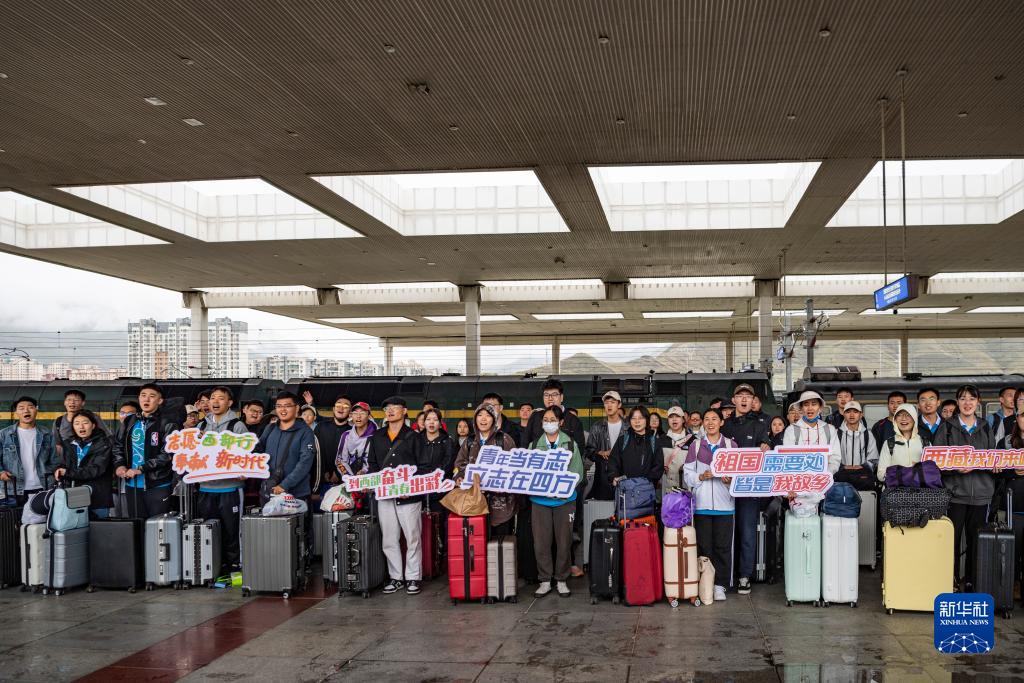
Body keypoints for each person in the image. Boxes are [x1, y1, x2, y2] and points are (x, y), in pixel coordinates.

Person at [933, 385, 996, 591]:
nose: (967, 403)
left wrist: (995, 465)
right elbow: (936, 463)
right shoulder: (946, 428)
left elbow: (992, 457)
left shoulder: (985, 427)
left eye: (972, 399)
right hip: (955, 495)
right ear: (957, 402)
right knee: (950, 542)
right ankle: (949, 581)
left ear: (978, 402)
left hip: (981, 495)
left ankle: (971, 582)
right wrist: (955, 468)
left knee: (976, 542)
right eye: (963, 399)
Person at [367, 396, 424, 595]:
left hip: (409, 496)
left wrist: (411, 488)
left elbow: (422, 466)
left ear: (405, 411)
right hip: (385, 496)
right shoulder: (377, 436)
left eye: (394, 407)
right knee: (389, 538)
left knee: (412, 537)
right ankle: (396, 577)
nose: (390, 411)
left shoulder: (414, 437)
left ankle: (413, 577)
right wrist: (373, 483)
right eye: (387, 408)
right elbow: (372, 464)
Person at [530, 404, 584, 598]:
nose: (549, 423)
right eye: (546, 420)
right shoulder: (534, 445)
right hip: (540, 502)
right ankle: (545, 580)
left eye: (553, 420)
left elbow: (577, 473)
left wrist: (561, 488)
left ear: (561, 422)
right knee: (541, 543)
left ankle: (561, 579)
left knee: (564, 541)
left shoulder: (570, 444)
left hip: (564, 501)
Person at [722, 383, 771, 596]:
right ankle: (726, 575)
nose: (744, 399)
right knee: (726, 533)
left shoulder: (759, 425)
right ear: (733, 400)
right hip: (725, 488)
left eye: (748, 396)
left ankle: (744, 576)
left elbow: (765, 448)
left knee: (747, 533)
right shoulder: (724, 425)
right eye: (740, 396)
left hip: (749, 489)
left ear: (753, 401)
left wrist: (766, 447)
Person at [683, 408, 737, 603]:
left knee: (723, 547)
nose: (711, 422)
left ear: (722, 422)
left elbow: (740, 475)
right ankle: (705, 583)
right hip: (702, 505)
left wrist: (729, 480)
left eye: (715, 419)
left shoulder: (730, 445)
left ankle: (720, 586)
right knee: (704, 547)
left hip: (725, 506)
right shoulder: (696, 446)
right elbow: (687, 474)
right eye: (707, 419)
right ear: (702, 423)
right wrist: (700, 476)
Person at [196, 386, 248, 572]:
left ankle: (234, 570)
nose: (215, 402)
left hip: (230, 488)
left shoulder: (237, 426)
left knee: (232, 532)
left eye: (220, 398)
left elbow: (247, 454)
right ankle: (214, 569)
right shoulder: (201, 426)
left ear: (229, 403)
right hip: (205, 488)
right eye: (212, 398)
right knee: (210, 532)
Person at [257, 391, 317, 544]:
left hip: (296, 494)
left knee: (298, 538)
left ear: (297, 408)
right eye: (279, 406)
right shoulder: (270, 429)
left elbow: (305, 463)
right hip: (269, 491)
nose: (282, 410)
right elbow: (257, 452)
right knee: (271, 536)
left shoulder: (305, 432)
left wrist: (284, 485)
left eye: (287, 406)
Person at [112, 384, 179, 518]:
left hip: (158, 484)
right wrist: (120, 465)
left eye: (152, 396)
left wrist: (141, 469)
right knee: (136, 524)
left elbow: (168, 454)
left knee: (158, 524)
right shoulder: (129, 421)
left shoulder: (168, 423)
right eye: (143, 395)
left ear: (160, 401)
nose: (146, 399)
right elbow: (118, 445)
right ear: (139, 398)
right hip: (132, 484)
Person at [454, 404, 519, 535]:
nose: (483, 419)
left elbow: (515, 467)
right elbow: (459, 465)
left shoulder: (504, 439)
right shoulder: (470, 441)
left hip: (501, 505)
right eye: (480, 415)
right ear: (475, 419)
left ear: (494, 419)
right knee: (477, 541)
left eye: (488, 415)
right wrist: (459, 477)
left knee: (500, 542)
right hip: (474, 503)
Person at [0, 397, 58, 505]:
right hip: (13, 488)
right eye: (21, 408)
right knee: (14, 516)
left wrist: (48, 473)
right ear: (16, 412)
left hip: (42, 487)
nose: (26, 410)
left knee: (41, 516)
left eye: (30, 407)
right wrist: (1, 472)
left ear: (36, 410)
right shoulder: (4, 434)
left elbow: (54, 460)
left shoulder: (47, 434)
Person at [55, 410, 114, 518]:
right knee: (75, 527)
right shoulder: (69, 444)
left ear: (93, 425)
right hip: (73, 497)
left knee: (99, 527)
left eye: (85, 423)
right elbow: (64, 464)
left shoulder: (104, 444)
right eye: (77, 423)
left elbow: (96, 469)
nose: (81, 426)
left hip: (97, 497)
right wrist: (59, 469)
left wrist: (67, 472)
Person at [782, 391, 841, 474]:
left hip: (824, 478)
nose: (810, 408)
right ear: (801, 408)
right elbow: (788, 458)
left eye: (814, 404)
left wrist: (825, 474)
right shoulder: (791, 430)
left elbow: (835, 458)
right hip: (800, 478)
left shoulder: (830, 429)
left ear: (820, 408)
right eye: (806, 405)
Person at [607, 406, 666, 489]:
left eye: (640, 418)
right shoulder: (622, 440)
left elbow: (658, 466)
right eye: (633, 418)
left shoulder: (654, 442)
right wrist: (613, 476)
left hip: (646, 490)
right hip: (625, 488)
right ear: (630, 421)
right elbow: (613, 461)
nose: (637, 421)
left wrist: (646, 482)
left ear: (647, 420)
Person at [585, 390, 624, 501]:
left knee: (624, 507)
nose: (609, 405)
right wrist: (600, 452)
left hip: (624, 475)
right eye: (606, 403)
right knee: (604, 507)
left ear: (619, 405)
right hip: (603, 477)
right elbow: (589, 451)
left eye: (612, 402)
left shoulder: (628, 427)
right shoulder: (597, 427)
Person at [415, 409, 456, 511]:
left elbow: (448, 462)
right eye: (428, 419)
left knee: (439, 517)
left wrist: (434, 475)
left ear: (440, 423)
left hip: (441, 489)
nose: (431, 422)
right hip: (420, 488)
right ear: (424, 422)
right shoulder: (416, 440)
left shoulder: (447, 441)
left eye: (435, 419)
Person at [54, 389, 110, 459]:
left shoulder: (93, 417)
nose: (72, 402)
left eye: (76, 400)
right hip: (69, 460)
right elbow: (57, 445)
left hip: (90, 458)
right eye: (69, 400)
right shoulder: (58, 421)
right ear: (64, 402)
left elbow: (107, 438)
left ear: (83, 403)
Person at [311, 395, 352, 490]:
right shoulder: (320, 427)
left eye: (346, 406)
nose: (341, 408)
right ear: (333, 409)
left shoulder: (352, 432)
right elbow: (315, 453)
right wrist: (323, 471)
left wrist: (338, 473)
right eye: (338, 405)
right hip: (319, 481)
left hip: (343, 483)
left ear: (350, 412)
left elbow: (352, 458)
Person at [876, 404, 924, 483]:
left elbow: (932, 471)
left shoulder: (924, 442)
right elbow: (881, 474)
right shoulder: (889, 443)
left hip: (920, 489)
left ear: (914, 418)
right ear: (895, 419)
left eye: (908, 415)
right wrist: (907, 472)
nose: (903, 418)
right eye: (899, 415)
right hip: (896, 490)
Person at [835, 400, 878, 487]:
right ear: (843, 414)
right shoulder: (836, 434)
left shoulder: (868, 434)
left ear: (861, 415)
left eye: (855, 412)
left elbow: (873, 458)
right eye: (848, 412)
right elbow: (832, 457)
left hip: (862, 478)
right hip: (841, 478)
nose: (851, 415)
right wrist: (842, 467)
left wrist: (863, 467)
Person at [662, 406, 697, 492]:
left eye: (677, 416)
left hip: (686, 487)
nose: (674, 419)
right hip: (667, 486)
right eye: (671, 417)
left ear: (683, 420)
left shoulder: (693, 440)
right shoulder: (661, 439)